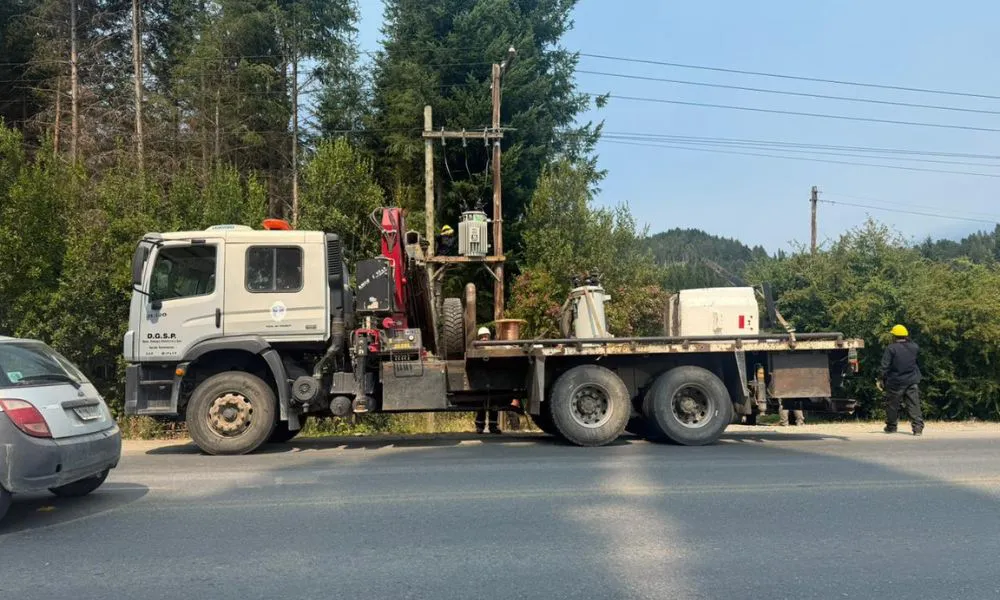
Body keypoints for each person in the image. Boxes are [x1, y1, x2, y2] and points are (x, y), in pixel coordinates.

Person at [879, 324, 924, 436]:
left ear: (894, 336)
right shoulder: (914, 347)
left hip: (896, 381)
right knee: (914, 405)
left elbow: (885, 366)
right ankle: (917, 428)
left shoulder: (891, 348)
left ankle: (891, 427)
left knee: (892, 405)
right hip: (912, 380)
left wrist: (881, 378)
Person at [473, 326, 500, 434]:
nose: (484, 339)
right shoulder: (476, 349)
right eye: (482, 337)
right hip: (481, 379)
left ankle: (493, 426)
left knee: (494, 404)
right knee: (481, 404)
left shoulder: (494, 348)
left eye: (486, 336)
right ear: (479, 338)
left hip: (492, 379)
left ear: (489, 337)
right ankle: (480, 426)